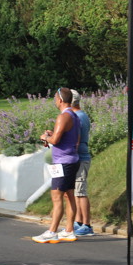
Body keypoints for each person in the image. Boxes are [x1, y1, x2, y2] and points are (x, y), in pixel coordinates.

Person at [33, 87, 81, 243]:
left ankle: (52, 231)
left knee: (57, 196)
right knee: (69, 195)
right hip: (72, 160)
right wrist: (52, 135)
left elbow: (55, 141)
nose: (54, 101)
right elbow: (73, 139)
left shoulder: (63, 117)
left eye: (55, 98)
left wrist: (45, 137)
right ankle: (69, 230)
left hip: (63, 162)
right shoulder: (75, 116)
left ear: (60, 100)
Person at [70, 90, 95, 237]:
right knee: (77, 191)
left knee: (80, 191)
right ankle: (79, 221)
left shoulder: (77, 117)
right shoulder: (81, 115)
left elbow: (76, 139)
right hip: (80, 156)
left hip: (80, 157)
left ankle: (87, 224)